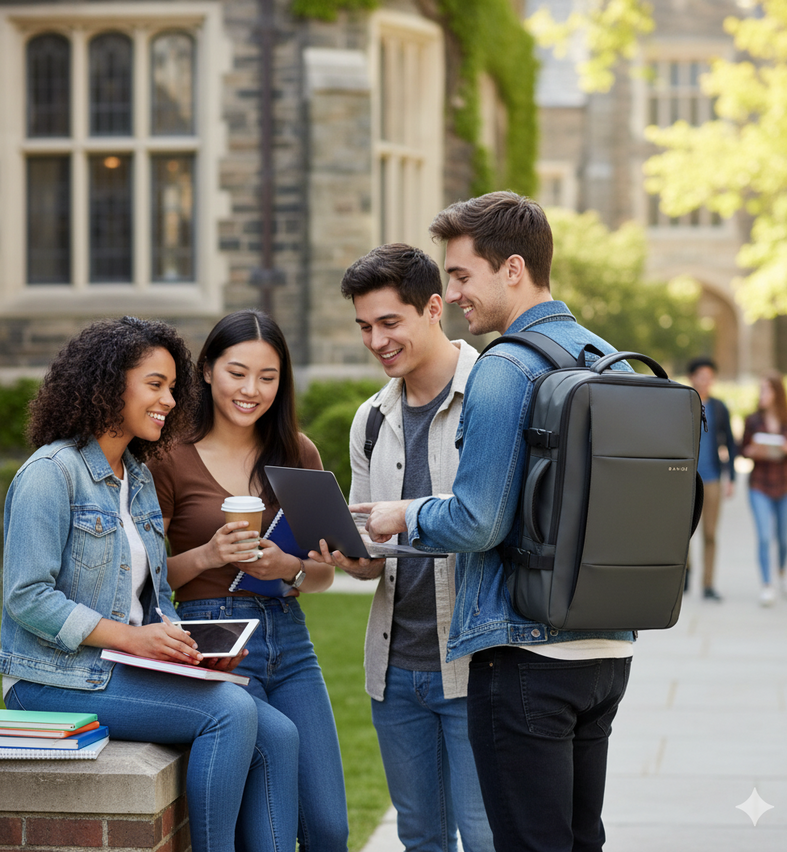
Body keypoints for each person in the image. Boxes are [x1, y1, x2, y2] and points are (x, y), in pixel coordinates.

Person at [352, 192, 635, 852]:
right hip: (606, 648)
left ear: (512, 270)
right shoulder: (603, 354)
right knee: (576, 839)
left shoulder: (506, 365)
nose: (451, 296)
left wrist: (406, 512)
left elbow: (479, 522)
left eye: (460, 276)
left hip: (524, 651)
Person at [0, 316, 293, 852]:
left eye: (172, 387)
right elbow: (26, 597)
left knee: (278, 733)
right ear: (110, 386)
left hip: (121, 669)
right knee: (229, 713)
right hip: (54, 680)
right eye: (154, 385)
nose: (170, 400)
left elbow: (150, 598)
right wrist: (131, 638)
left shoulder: (135, 478)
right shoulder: (51, 473)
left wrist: (186, 648)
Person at [312, 243, 492, 851]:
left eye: (390, 322)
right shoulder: (371, 418)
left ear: (434, 307)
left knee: (487, 838)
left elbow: (494, 526)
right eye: (365, 326)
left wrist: (406, 519)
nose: (376, 340)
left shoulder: (494, 396)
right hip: (395, 674)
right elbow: (371, 555)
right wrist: (350, 557)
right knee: (420, 839)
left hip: (475, 669)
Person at [148, 309, 348, 852]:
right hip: (214, 642)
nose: (251, 390)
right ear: (208, 370)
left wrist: (290, 570)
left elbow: (325, 573)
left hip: (290, 640)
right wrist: (209, 554)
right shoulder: (168, 454)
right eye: (238, 372)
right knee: (270, 832)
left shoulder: (297, 452)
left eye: (268, 376)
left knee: (329, 828)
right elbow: (147, 577)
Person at [740, 371, 787, 606]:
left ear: (777, 393)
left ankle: (782, 574)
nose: (762, 394)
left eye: (766, 389)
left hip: (786, 485)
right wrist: (751, 451)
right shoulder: (752, 420)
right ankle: (767, 585)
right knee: (764, 537)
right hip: (759, 485)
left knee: (784, 538)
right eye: (761, 389)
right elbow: (742, 448)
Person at [685, 356, 737, 601]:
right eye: (701, 376)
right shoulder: (683, 402)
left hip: (713, 477)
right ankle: (685, 572)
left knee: (710, 533)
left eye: (710, 377)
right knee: (682, 531)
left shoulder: (719, 407)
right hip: (685, 478)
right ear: (692, 378)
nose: (706, 381)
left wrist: (732, 477)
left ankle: (708, 584)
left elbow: (729, 442)